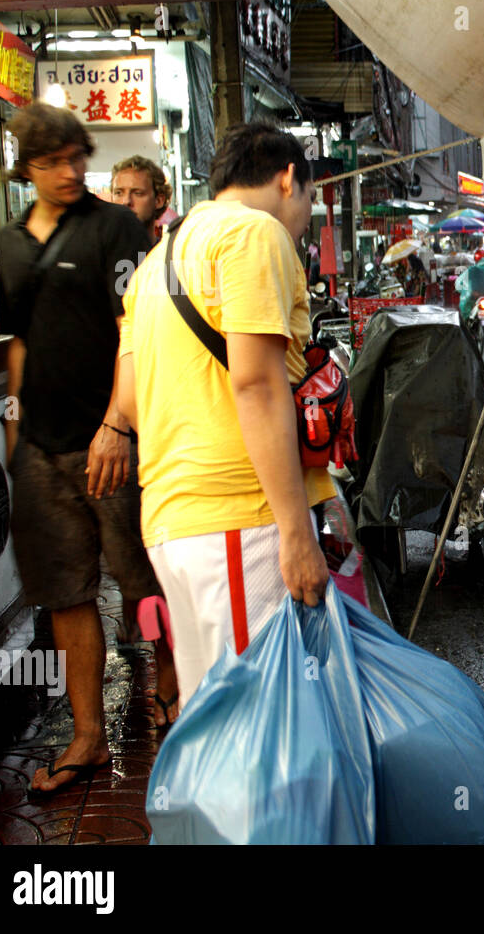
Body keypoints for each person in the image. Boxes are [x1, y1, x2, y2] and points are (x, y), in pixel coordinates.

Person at [117, 123, 332, 707]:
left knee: (217, 717)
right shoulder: (252, 234)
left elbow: (130, 403)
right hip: (241, 521)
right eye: (310, 199)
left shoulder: (157, 262)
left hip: (171, 524)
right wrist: (295, 532)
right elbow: (257, 383)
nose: (306, 217)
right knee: (264, 723)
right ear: (289, 178)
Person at [0, 104, 171, 795]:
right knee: (67, 598)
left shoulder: (114, 229)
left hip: (114, 443)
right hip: (42, 449)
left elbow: (138, 330)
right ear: (27, 170)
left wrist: (117, 424)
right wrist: (14, 433)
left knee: (144, 585)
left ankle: (173, 690)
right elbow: (19, 343)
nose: (69, 172)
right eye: (52, 162)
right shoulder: (10, 243)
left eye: (77, 157)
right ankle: (89, 735)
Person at [110, 154, 172, 244]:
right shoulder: (96, 255)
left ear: (159, 200)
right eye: (119, 193)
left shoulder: (172, 255)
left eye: (137, 193)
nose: (126, 201)